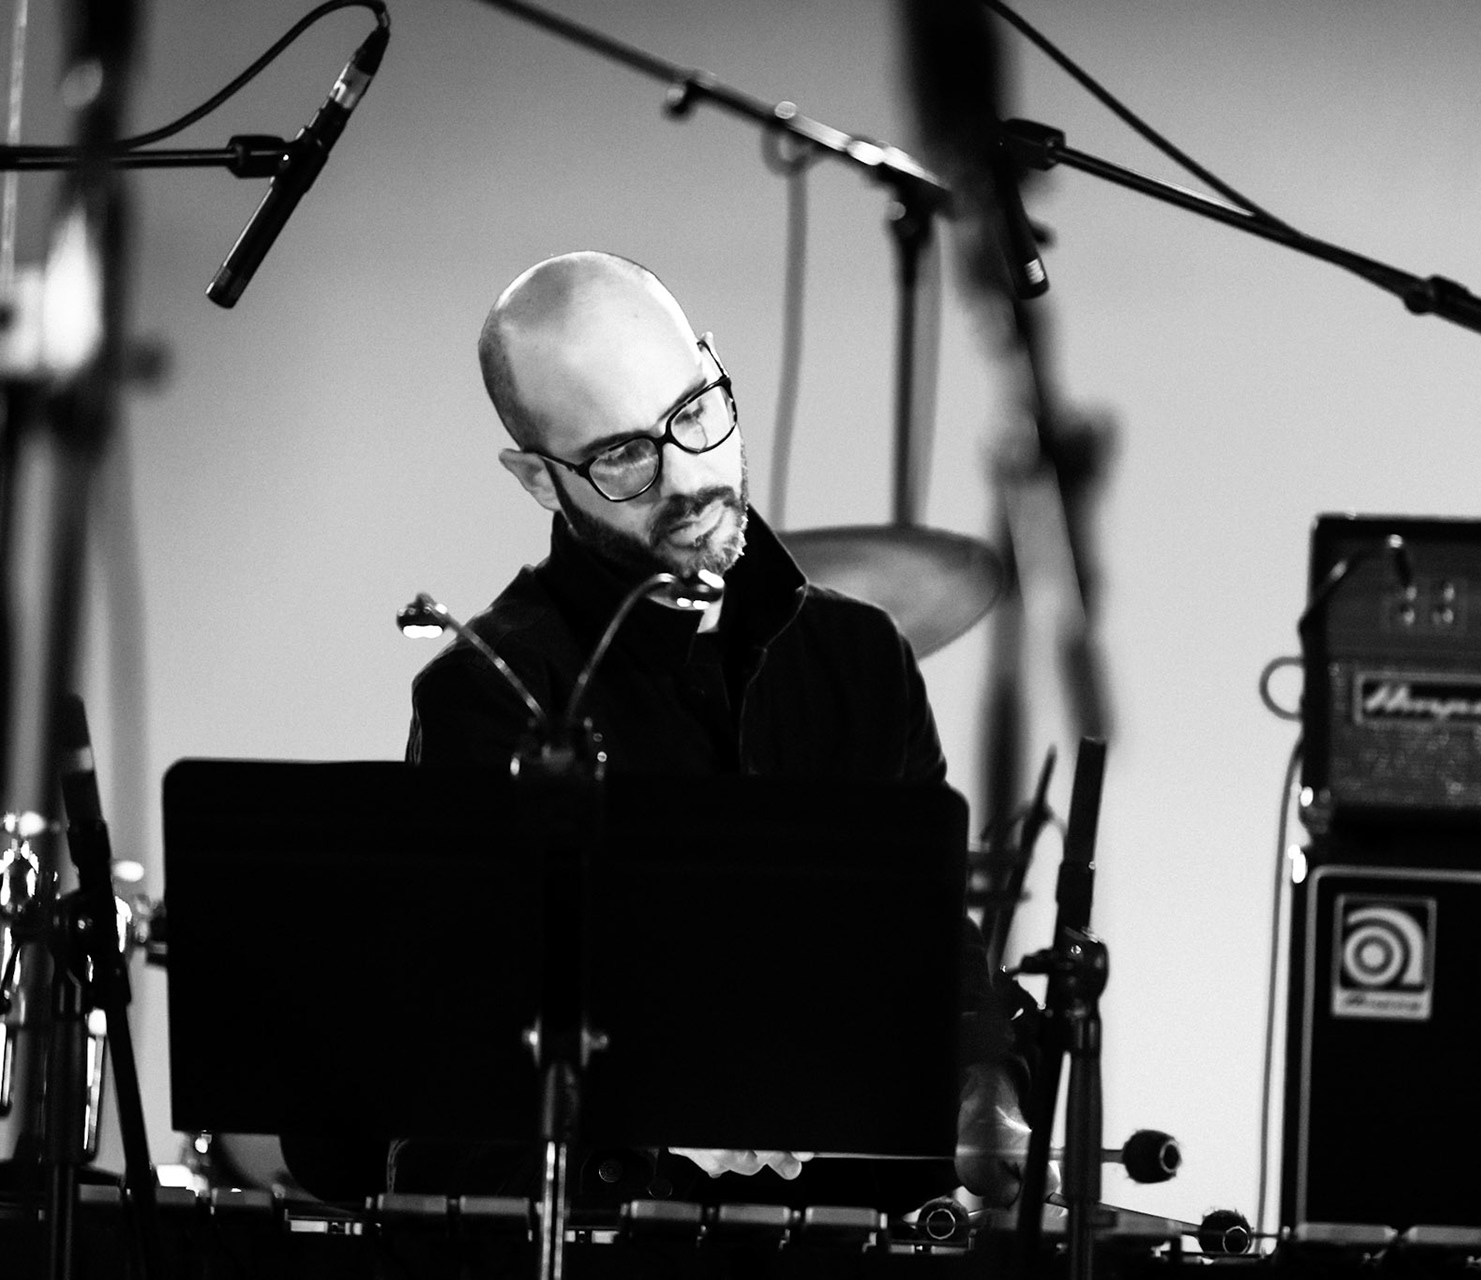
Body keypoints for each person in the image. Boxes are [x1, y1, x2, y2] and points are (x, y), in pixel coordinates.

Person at [401, 250, 1028, 1211]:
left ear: (713, 365)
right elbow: (477, 1045)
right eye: (620, 455)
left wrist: (984, 1085)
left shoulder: (860, 658)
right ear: (537, 478)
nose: (690, 476)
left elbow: (929, 942)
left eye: (694, 411)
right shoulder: (491, 693)